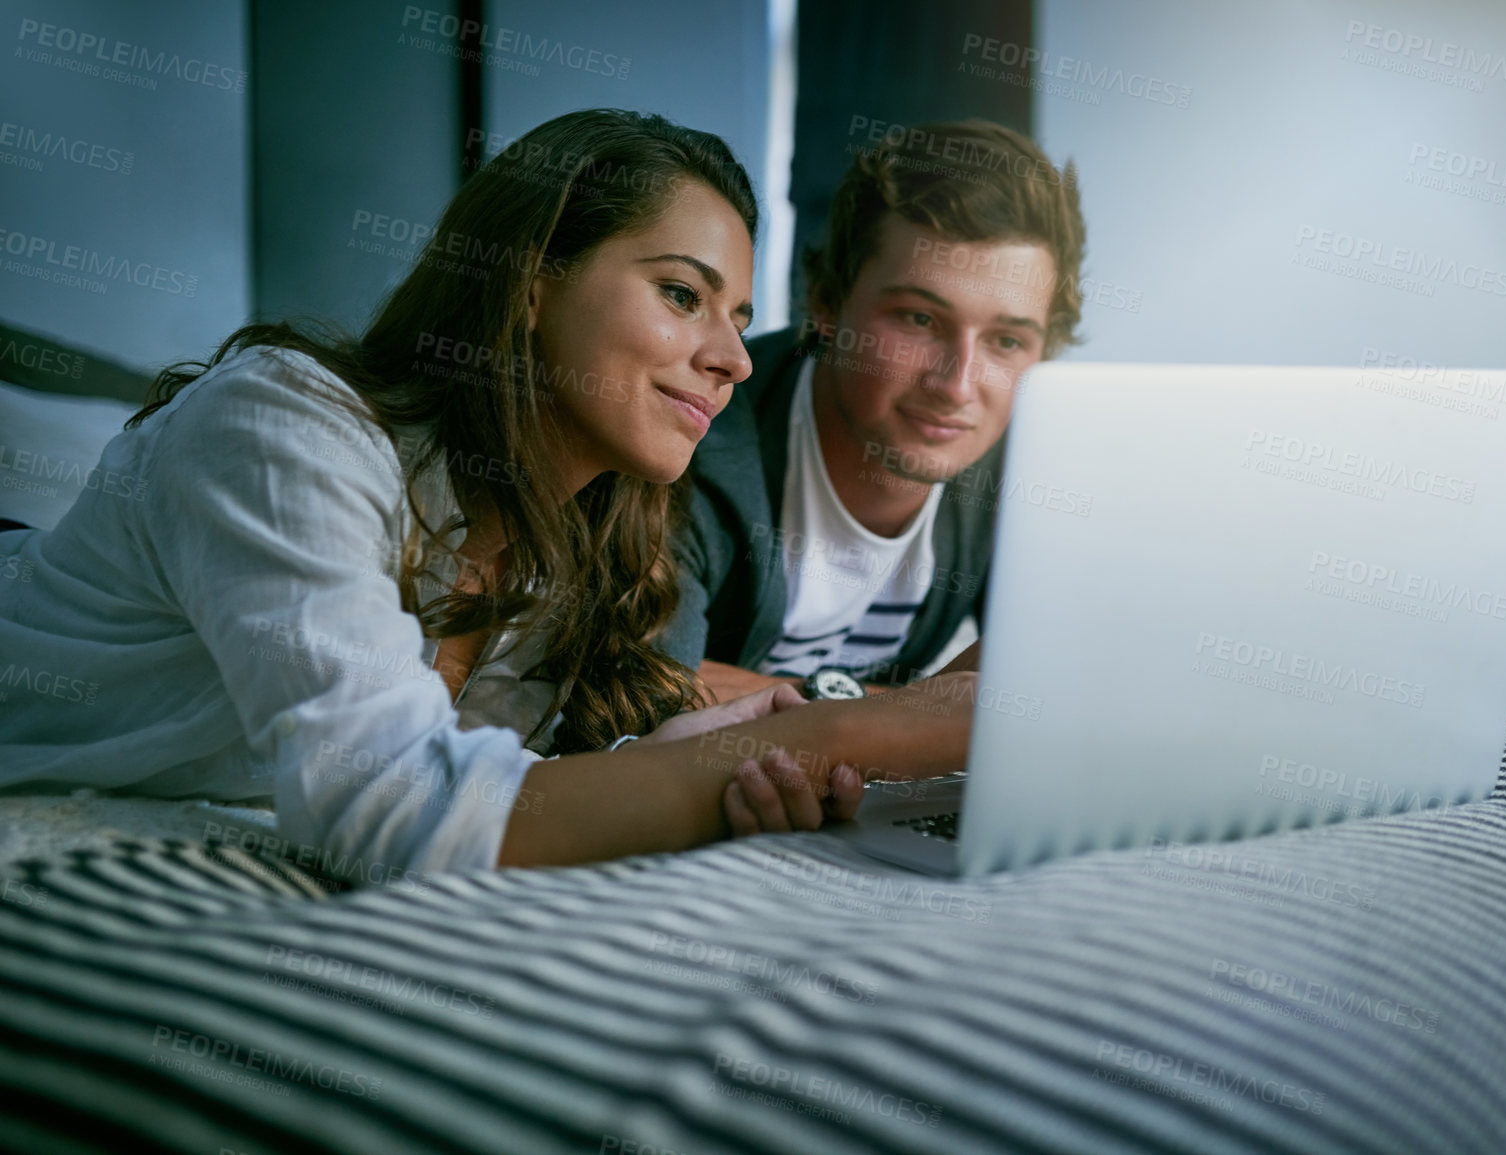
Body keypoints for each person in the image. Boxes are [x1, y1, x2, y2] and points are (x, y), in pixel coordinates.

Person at [0, 109, 976, 878]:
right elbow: (396, 810)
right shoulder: (278, 426)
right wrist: (855, 732)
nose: (731, 359)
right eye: (682, 294)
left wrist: (698, 752)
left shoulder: (578, 543)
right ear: (530, 281)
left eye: (740, 319)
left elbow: (497, 785)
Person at [660, 119, 1086, 704]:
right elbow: (646, 685)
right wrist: (912, 717)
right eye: (919, 320)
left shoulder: (1030, 474)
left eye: (1006, 342)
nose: (957, 385)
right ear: (827, 302)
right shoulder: (688, 436)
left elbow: (1054, 696)